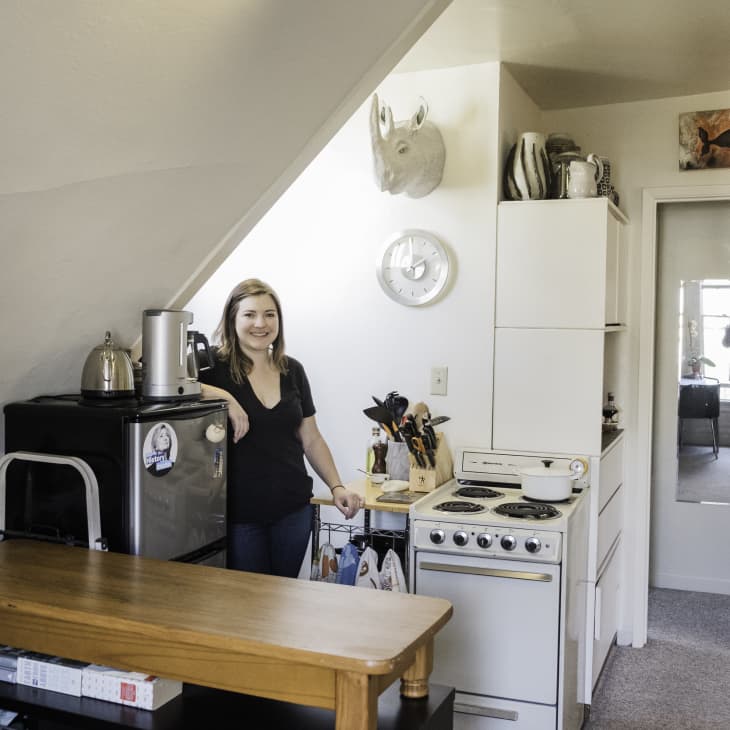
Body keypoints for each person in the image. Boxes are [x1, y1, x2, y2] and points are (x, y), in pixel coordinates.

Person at [199, 278, 363, 578]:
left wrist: (337, 486)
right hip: (239, 513)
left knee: (283, 599)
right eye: (249, 314)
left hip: (293, 508)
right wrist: (226, 398)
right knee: (249, 604)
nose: (260, 323)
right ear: (232, 318)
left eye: (269, 314)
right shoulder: (211, 367)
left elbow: (311, 439)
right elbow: (162, 383)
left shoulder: (292, 370)